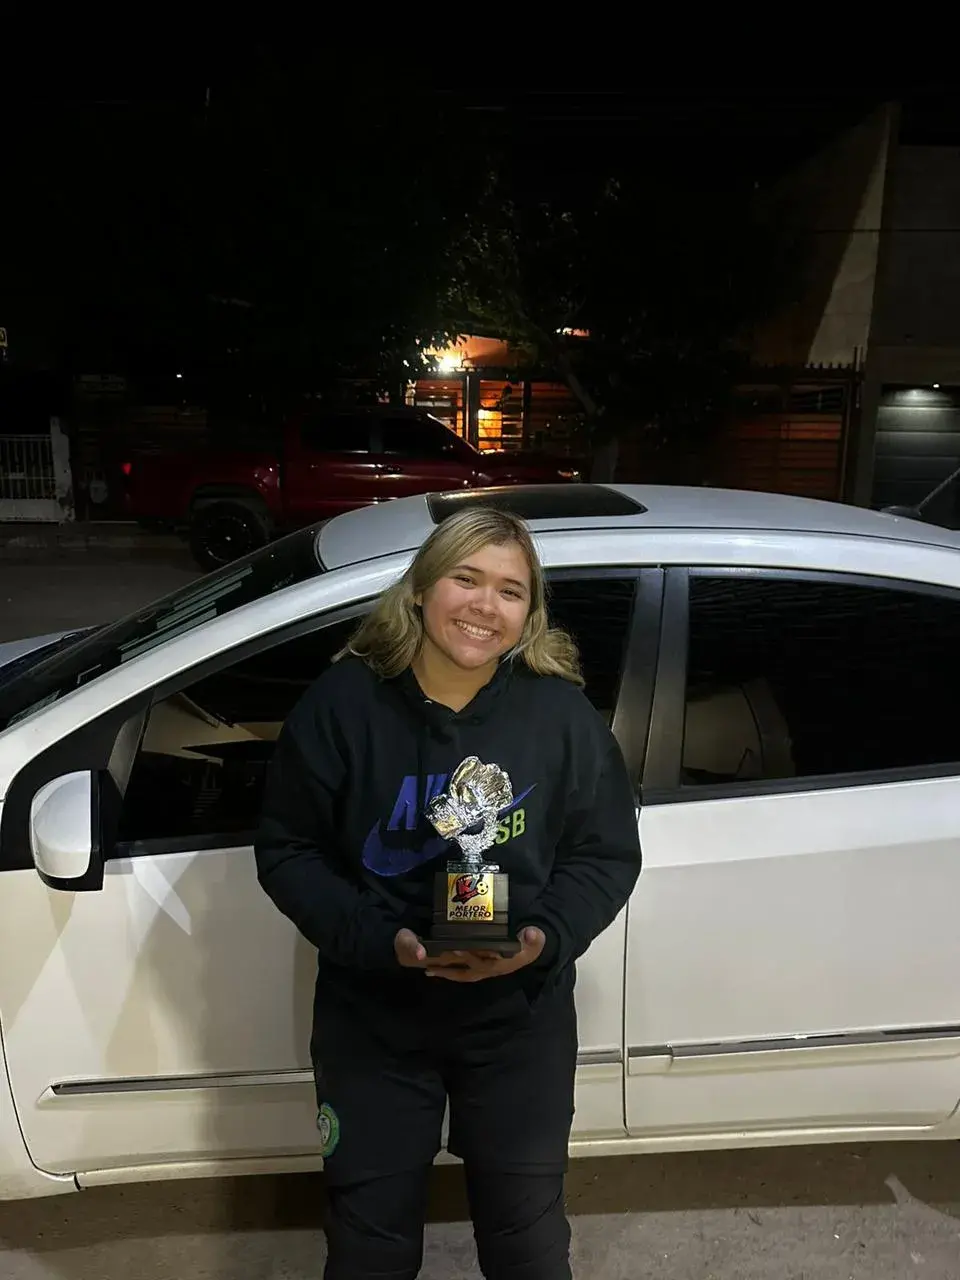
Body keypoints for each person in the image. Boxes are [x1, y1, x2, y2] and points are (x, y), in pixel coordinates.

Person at [255, 505, 642, 1279]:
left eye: (510, 590)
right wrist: (379, 939)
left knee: (529, 1246)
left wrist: (542, 940)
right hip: (374, 1017)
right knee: (368, 1247)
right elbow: (288, 850)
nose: (484, 605)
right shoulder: (344, 704)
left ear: (529, 612)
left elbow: (604, 855)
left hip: (518, 1022)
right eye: (466, 579)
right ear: (422, 588)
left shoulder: (560, 715)